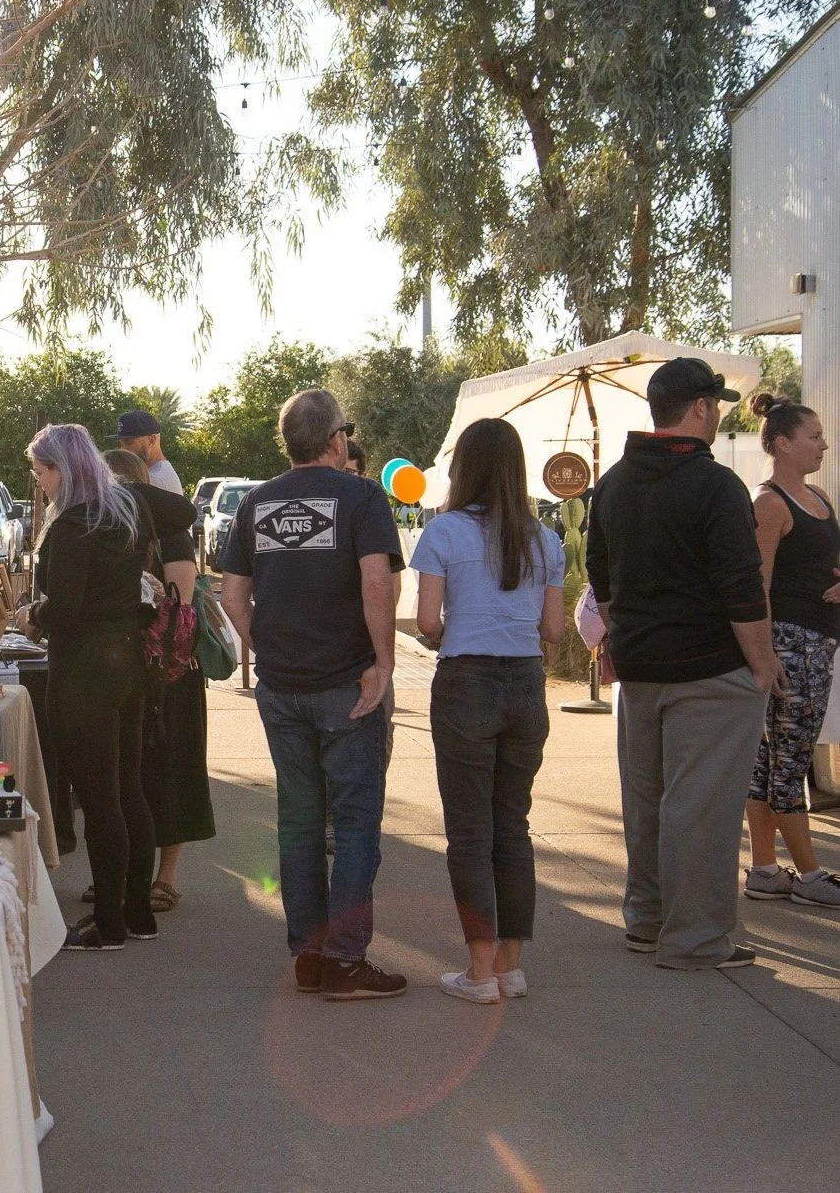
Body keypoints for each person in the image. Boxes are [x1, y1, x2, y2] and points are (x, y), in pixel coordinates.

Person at [586, 357, 781, 970]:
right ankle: (695, 939)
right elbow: (741, 587)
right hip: (709, 669)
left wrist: (628, 635)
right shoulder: (715, 483)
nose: (719, 413)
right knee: (701, 808)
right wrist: (763, 663)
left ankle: (647, 921)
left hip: (640, 668)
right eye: (716, 404)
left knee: (648, 801)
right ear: (699, 407)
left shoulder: (614, 481)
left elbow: (601, 578)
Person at [219, 389, 406, 1000]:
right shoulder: (361, 495)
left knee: (298, 821)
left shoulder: (255, 502)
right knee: (353, 824)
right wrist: (384, 662)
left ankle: (309, 952)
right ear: (335, 440)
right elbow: (376, 581)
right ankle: (346, 960)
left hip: (284, 686)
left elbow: (231, 595)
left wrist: (265, 649)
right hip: (346, 685)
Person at [13, 425, 194, 950]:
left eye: (42, 472)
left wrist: (32, 615)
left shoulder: (74, 524)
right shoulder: (125, 509)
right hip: (129, 665)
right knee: (128, 788)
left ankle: (111, 921)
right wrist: (133, 491)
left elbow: (63, 610)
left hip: (85, 671)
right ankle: (136, 913)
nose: (40, 482)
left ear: (62, 470)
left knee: (100, 800)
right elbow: (183, 513)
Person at [411, 419, 566, 1004]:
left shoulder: (443, 532)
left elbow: (427, 623)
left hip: (466, 683)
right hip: (526, 683)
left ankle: (477, 973)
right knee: (513, 826)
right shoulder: (545, 539)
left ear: (464, 468)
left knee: (469, 832)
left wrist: (459, 631)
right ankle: (510, 966)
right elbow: (553, 630)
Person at [103, 449, 215, 910]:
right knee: (131, 774)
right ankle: (131, 871)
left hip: (170, 672)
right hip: (124, 671)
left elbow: (179, 610)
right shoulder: (107, 534)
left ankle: (165, 876)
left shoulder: (170, 535)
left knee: (172, 774)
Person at [744, 394, 840, 908]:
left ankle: (764, 869)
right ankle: (809, 875)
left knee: (770, 760)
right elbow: (755, 584)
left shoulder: (819, 497)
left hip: (817, 645)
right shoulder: (769, 504)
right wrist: (765, 655)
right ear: (782, 443)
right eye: (814, 435)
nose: (823, 444)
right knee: (787, 761)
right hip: (788, 647)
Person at [116, 410, 184, 495]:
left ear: (152, 440)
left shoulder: (155, 480)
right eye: (121, 443)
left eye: (129, 443)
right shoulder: (154, 474)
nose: (123, 449)